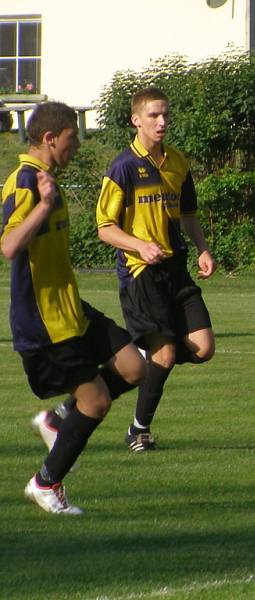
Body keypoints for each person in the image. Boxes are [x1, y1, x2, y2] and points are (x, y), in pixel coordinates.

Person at [2, 102, 145, 514]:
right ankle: (46, 483)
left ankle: (58, 420)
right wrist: (44, 206)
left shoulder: (46, 178)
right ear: (50, 138)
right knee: (97, 402)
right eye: (72, 137)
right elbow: (9, 246)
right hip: (45, 323)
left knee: (133, 366)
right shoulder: (26, 183)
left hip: (72, 312)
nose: (78, 145)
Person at [95, 86, 216, 452]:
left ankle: (144, 355)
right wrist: (140, 245)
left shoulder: (178, 162)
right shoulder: (123, 167)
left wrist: (203, 248)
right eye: (153, 116)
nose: (162, 122)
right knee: (165, 354)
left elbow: (189, 214)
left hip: (175, 269)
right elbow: (104, 228)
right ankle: (138, 430)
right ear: (136, 120)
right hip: (140, 274)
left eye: (166, 115)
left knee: (203, 347)